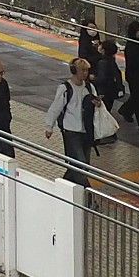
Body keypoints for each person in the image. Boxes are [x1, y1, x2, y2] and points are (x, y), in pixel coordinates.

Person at [44, 58, 99, 187]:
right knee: (80, 164)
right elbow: (56, 107)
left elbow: (97, 106)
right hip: (71, 131)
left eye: (87, 70)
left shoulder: (90, 87)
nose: (85, 73)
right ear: (74, 71)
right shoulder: (65, 88)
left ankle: (61, 187)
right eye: (82, 70)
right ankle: (89, 197)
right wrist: (49, 126)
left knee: (79, 165)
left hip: (86, 131)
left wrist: (98, 104)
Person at [93, 39, 124, 114]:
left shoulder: (102, 62)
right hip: (112, 91)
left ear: (103, 50)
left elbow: (101, 79)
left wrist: (93, 78)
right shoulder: (112, 61)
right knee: (107, 110)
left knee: (101, 111)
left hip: (103, 91)